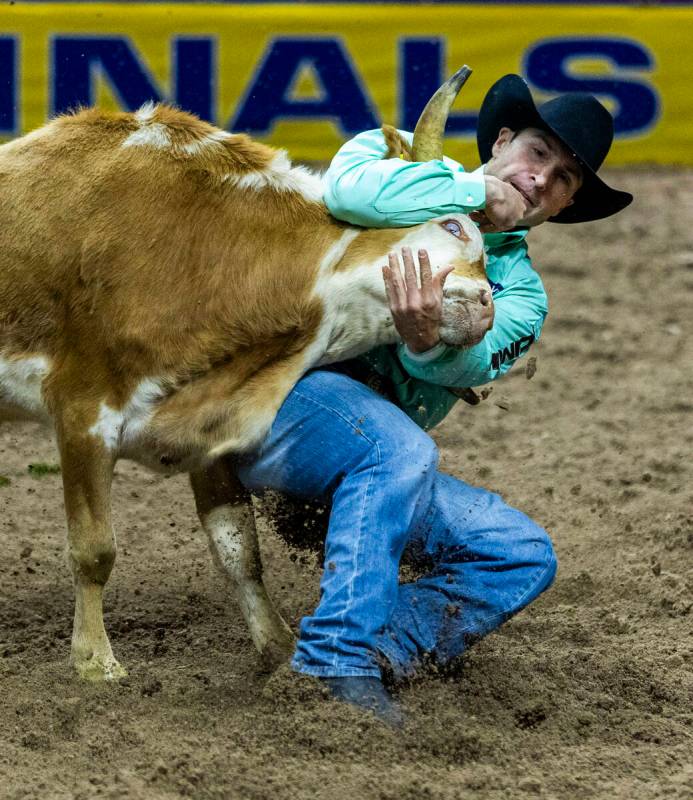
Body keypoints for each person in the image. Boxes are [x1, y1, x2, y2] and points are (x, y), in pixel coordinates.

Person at [235, 74, 632, 726]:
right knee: (397, 448)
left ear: (562, 207)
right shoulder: (393, 154)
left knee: (519, 554)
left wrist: (427, 340)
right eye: (537, 153)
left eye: (563, 179)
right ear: (501, 140)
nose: (539, 179)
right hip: (272, 396)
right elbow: (345, 189)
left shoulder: (521, 292)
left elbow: (474, 358)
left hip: (370, 466)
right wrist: (473, 192)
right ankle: (334, 665)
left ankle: (384, 646)